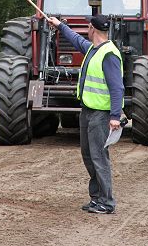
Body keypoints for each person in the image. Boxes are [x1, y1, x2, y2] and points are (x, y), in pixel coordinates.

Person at [48, 14, 124, 214]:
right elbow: (76, 39)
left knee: (99, 157)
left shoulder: (109, 54)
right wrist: (59, 26)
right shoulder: (93, 49)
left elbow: (117, 88)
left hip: (101, 114)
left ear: (92, 29)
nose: (86, 31)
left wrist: (115, 117)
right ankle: (97, 198)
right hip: (88, 110)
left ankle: (107, 203)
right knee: (89, 155)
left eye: (87, 27)